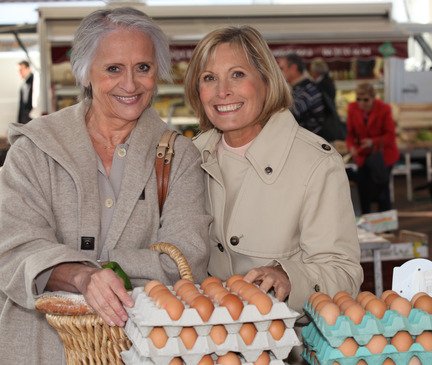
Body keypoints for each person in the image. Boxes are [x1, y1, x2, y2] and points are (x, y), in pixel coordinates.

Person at [0, 7, 211, 364]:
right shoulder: (34, 150)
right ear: (85, 73)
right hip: (38, 348)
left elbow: (186, 258)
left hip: (140, 350)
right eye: (113, 68)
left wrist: (91, 269)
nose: (130, 85)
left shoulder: (179, 157)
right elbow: (12, 249)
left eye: (142, 68)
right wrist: (82, 278)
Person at [185, 25, 363, 313]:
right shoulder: (189, 156)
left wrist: (289, 277)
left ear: (267, 81)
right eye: (209, 78)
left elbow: (343, 273)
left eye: (238, 75)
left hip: (288, 345)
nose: (222, 91)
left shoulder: (316, 164)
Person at [346, 81, 399, 214]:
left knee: (382, 191)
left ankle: (386, 228)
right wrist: (351, 146)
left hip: (383, 156)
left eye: (365, 100)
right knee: (363, 190)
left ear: (373, 98)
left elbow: (390, 136)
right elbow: (350, 135)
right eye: (358, 99)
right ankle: (366, 222)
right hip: (363, 156)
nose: (361, 103)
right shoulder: (352, 108)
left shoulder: (384, 109)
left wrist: (373, 142)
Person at [278, 53, 326, 136]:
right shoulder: (299, 87)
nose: (279, 72)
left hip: (311, 143)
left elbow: (291, 113)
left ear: (293, 68)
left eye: (281, 68)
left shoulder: (308, 89)